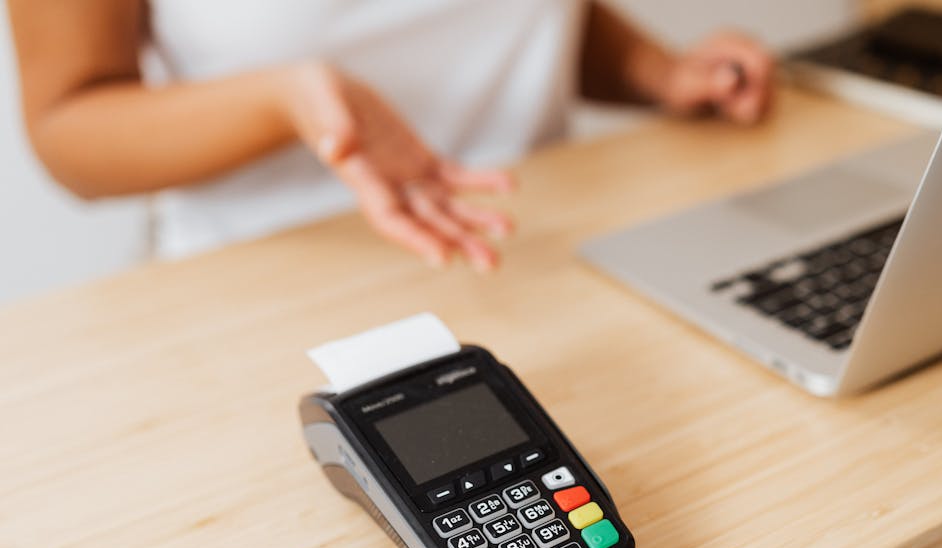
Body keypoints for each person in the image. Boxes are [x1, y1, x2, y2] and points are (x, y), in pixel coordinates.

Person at [8, 1, 774, 270]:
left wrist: (656, 72)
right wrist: (284, 100)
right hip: (260, 292)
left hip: (542, 248)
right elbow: (68, 125)